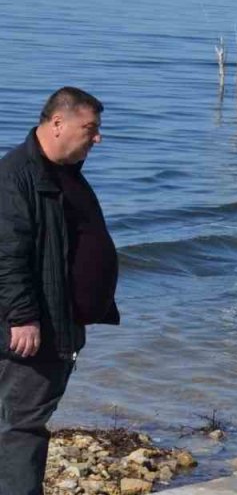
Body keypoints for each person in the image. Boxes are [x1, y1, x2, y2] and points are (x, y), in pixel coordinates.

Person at [0, 87, 119, 495]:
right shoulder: (16, 177)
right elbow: (7, 253)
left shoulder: (63, 171)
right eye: (91, 128)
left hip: (59, 320)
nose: (98, 137)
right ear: (57, 123)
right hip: (32, 327)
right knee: (22, 425)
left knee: (22, 419)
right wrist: (22, 317)